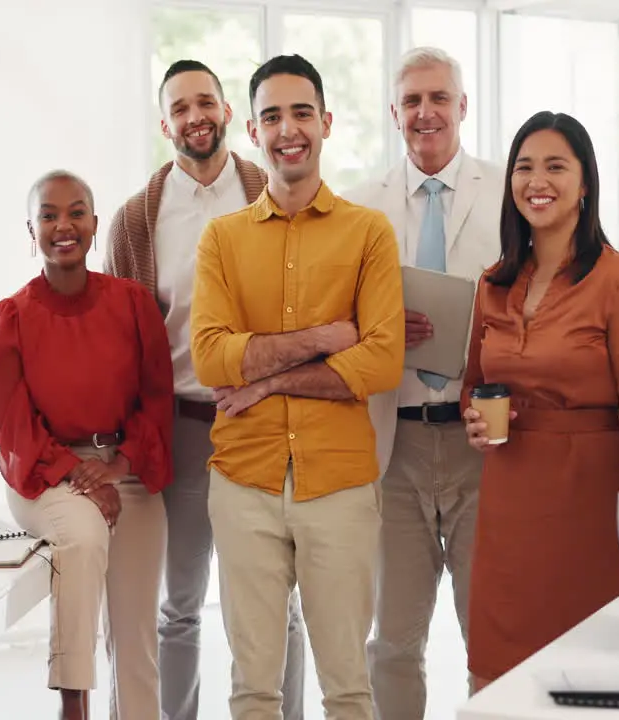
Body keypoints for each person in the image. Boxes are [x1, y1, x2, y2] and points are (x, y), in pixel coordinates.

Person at [190, 54, 405, 719]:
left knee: (347, 686)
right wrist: (317, 341)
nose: (290, 129)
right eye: (272, 116)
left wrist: (261, 381)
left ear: (327, 123)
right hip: (244, 482)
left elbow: (381, 362)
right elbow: (209, 357)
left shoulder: (368, 232)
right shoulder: (221, 239)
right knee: (253, 688)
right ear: (252, 132)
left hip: (338, 485)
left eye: (302, 112)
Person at [104, 59, 307, 720]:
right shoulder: (137, 220)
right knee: (180, 605)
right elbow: (119, 343)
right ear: (165, 124)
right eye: (180, 108)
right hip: (186, 429)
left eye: (205, 102)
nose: (195, 117)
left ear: (227, 113)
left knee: (282, 602)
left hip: (267, 422)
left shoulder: (270, 189)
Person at [459, 111, 619, 690]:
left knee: (586, 678)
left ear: (585, 183)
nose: (538, 180)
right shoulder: (494, 282)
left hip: (587, 511)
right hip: (507, 508)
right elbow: (473, 384)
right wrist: (475, 424)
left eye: (556, 166)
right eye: (525, 167)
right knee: (495, 680)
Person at [343, 46, 501, 719]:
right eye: (412, 101)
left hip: (481, 444)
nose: (426, 112)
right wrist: (374, 328)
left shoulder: (508, 195)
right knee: (394, 644)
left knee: (489, 636)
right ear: (394, 114)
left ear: (463, 107)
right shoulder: (361, 208)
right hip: (395, 448)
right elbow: (339, 323)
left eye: (439, 98)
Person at [0, 169, 174, 720]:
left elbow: (157, 398)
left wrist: (118, 467)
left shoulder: (134, 305)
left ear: (94, 224)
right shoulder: (9, 319)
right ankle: (74, 701)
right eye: (48, 215)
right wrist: (78, 473)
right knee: (85, 536)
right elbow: (13, 427)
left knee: (138, 636)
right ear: (31, 229)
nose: (63, 225)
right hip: (45, 473)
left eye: (76, 212)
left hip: (127, 463)